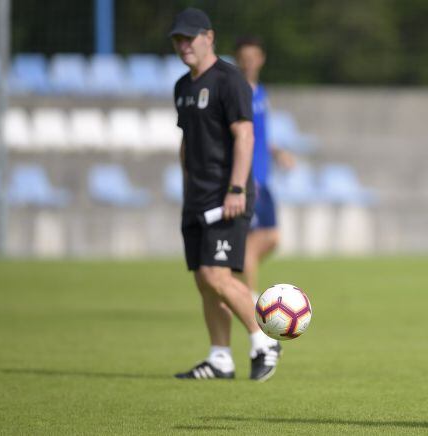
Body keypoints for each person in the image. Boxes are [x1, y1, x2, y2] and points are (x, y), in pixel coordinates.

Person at [168, 7, 280, 382]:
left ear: (209, 37)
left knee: (216, 275)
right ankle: (220, 359)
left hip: (226, 195)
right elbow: (187, 140)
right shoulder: (183, 87)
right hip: (196, 197)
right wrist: (187, 184)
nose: (183, 45)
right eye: (178, 39)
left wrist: (235, 188)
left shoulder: (229, 80)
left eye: (190, 38)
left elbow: (244, 136)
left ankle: (264, 341)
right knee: (204, 280)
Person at [233, 36, 295, 298]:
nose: (248, 63)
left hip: (263, 176)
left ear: (261, 59)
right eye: (244, 59)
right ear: (237, 60)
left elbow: (256, 133)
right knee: (252, 240)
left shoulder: (260, 92)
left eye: (253, 58)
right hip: (248, 178)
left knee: (271, 237)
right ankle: (250, 295)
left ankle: (237, 284)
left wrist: (277, 151)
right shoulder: (235, 93)